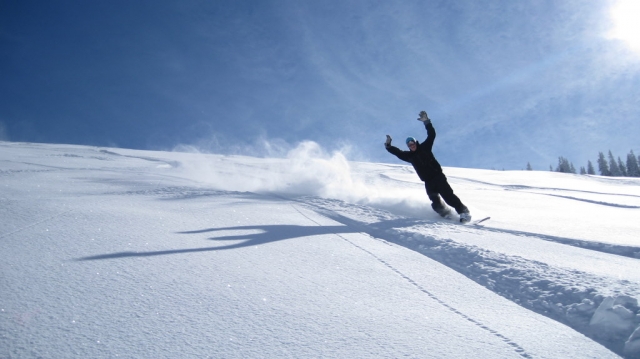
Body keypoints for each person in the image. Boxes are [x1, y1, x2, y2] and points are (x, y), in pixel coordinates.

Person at [385, 111, 471, 223]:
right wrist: (388, 146)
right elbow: (398, 153)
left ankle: (464, 212)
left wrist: (426, 121)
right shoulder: (409, 156)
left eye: (413, 143)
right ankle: (446, 214)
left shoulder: (425, 147)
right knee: (435, 202)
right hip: (428, 182)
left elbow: (431, 135)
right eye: (410, 145)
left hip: (438, 177)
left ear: (416, 142)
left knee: (448, 196)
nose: (412, 146)